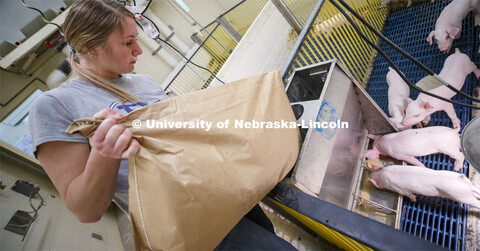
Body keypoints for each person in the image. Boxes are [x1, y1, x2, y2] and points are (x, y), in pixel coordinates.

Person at [29, 0, 296, 250]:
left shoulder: (141, 82)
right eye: (128, 42)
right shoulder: (54, 106)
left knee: (272, 239)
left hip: (222, 187)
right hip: (186, 218)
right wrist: (103, 154)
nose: (139, 50)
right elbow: (85, 210)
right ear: (90, 48)